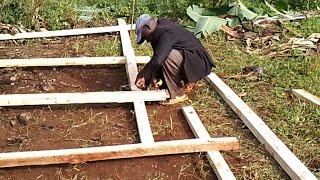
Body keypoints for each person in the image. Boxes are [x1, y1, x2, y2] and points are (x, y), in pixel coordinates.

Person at [135, 14, 215, 105]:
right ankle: (187, 80)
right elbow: (157, 59)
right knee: (163, 55)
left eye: (145, 37)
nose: (147, 40)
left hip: (199, 63)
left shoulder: (166, 33)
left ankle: (178, 94)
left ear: (147, 26)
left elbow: (158, 59)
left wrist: (143, 74)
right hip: (193, 60)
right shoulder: (159, 29)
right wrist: (151, 78)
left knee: (167, 56)